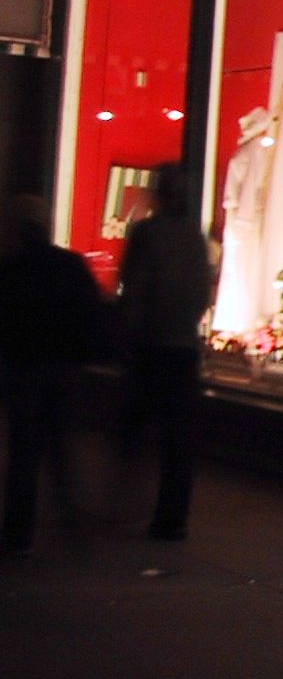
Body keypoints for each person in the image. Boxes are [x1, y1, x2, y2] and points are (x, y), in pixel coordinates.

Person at [0, 194, 105, 557]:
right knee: (61, 448)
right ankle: (72, 524)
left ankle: (19, 534)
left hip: (24, 369)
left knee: (24, 454)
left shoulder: (11, 271)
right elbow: (93, 313)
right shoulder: (70, 265)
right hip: (63, 369)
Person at [118, 164, 211, 542]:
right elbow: (202, 290)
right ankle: (172, 517)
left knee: (136, 426)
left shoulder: (147, 233)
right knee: (178, 439)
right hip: (182, 345)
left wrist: (129, 330)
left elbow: (134, 287)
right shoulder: (194, 237)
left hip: (151, 344)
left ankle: (127, 500)